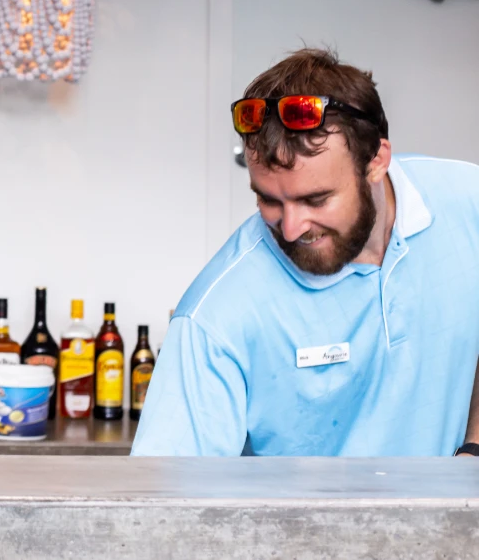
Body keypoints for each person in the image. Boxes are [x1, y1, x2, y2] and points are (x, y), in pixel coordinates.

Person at [133, 47, 479, 456]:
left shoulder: (467, 200)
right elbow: (166, 506)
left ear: (376, 162)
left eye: (316, 199)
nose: (292, 227)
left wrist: (474, 447)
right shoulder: (214, 318)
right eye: (269, 201)